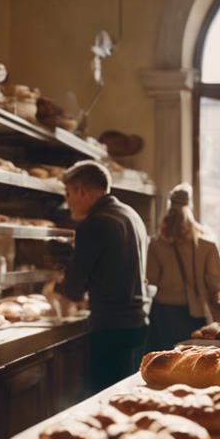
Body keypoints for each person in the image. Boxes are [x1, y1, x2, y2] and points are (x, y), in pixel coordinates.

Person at [59, 161, 149, 391]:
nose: (67, 201)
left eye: (68, 194)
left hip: (110, 329)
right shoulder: (131, 214)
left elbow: (73, 288)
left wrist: (58, 288)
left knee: (105, 401)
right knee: (129, 396)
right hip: (138, 324)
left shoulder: (95, 223)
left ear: (82, 192)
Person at [146, 183, 220, 352]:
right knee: (193, 357)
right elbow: (215, 282)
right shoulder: (206, 243)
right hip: (195, 311)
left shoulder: (156, 243)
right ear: (190, 205)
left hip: (163, 312)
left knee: (164, 358)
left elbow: (151, 278)